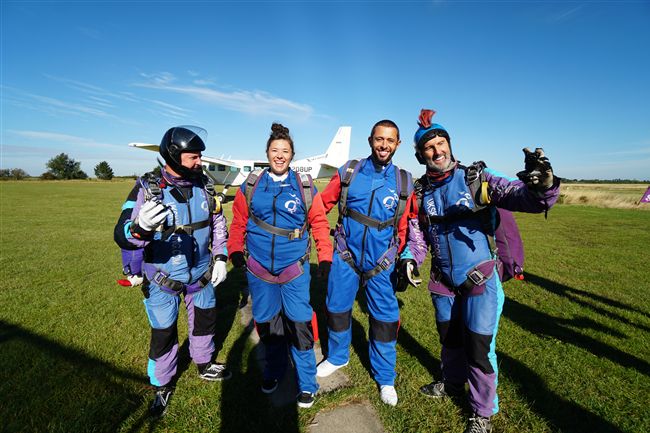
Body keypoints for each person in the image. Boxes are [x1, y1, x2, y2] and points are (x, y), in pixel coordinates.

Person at [406, 109, 560, 433]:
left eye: (441, 143)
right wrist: (410, 259)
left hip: (480, 279)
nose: (437, 150)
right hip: (443, 282)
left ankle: (482, 413)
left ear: (450, 145)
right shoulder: (420, 192)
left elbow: (521, 197)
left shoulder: (477, 178)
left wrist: (543, 186)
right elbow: (417, 237)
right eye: (429, 147)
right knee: (450, 341)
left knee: (478, 348)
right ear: (421, 155)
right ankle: (452, 383)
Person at [114, 126, 231, 418]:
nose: (200, 161)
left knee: (204, 322)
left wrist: (220, 256)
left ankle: (204, 363)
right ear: (174, 156)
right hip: (162, 279)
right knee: (164, 333)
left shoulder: (205, 185)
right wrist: (139, 228)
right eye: (194, 157)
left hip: (201, 275)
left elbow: (217, 222)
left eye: (200, 156)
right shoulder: (147, 188)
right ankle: (162, 384)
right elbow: (122, 232)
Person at [227, 123, 332, 409]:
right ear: (267, 153)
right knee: (268, 324)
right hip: (259, 270)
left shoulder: (304, 186)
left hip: (294, 269)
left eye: (285, 151)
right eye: (275, 150)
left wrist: (325, 257)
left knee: (299, 325)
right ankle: (274, 370)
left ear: (292, 155)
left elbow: (319, 223)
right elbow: (238, 222)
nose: (280, 156)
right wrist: (235, 250)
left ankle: (307, 383)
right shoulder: (251, 185)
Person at [314, 119, 418, 406]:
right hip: (345, 255)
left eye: (390, 140)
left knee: (385, 320)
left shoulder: (404, 181)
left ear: (398, 144)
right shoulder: (349, 171)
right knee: (336, 309)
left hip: (381, 263)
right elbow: (320, 206)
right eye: (379, 139)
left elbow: (407, 227)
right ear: (371, 140)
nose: (384, 145)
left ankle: (385, 377)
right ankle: (337, 357)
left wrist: (405, 258)